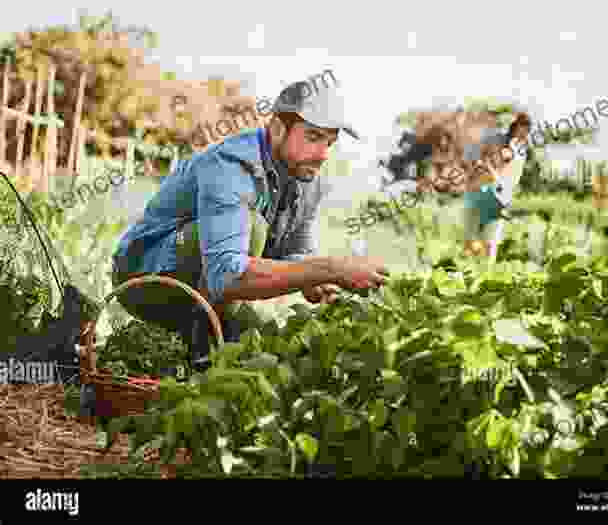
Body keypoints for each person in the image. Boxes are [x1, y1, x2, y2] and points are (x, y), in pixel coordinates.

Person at [110, 80, 389, 372]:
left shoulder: (307, 177)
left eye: (329, 143)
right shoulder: (231, 165)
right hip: (144, 276)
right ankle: (198, 358)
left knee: (268, 350)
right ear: (278, 128)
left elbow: (298, 252)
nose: (322, 154)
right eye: (313, 137)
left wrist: (319, 281)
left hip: (207, 288)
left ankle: (198, 344)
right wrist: (331, 268)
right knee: (253, 226)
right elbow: (227, 276)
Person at [413, 106, 532, 262]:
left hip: (496, 197)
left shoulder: (516, 148)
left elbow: (503, 172)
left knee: (487, 245)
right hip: (483, 194)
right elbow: (474, 161)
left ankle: (481, 269)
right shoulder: (494, 140)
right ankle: (474, 266)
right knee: (475, 244)